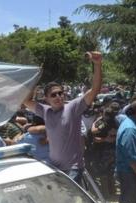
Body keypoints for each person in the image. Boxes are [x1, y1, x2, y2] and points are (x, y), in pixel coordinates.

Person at [23, 51, 103, 183]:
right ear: (46, 98)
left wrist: (98, 65)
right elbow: (26, 101)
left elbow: (95, 89)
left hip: (73, 168)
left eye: (60, 93)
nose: (58, 96)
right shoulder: (45, 111)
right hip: (55, 168)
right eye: (53, 95)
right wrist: (35, 79)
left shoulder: (72, 107)